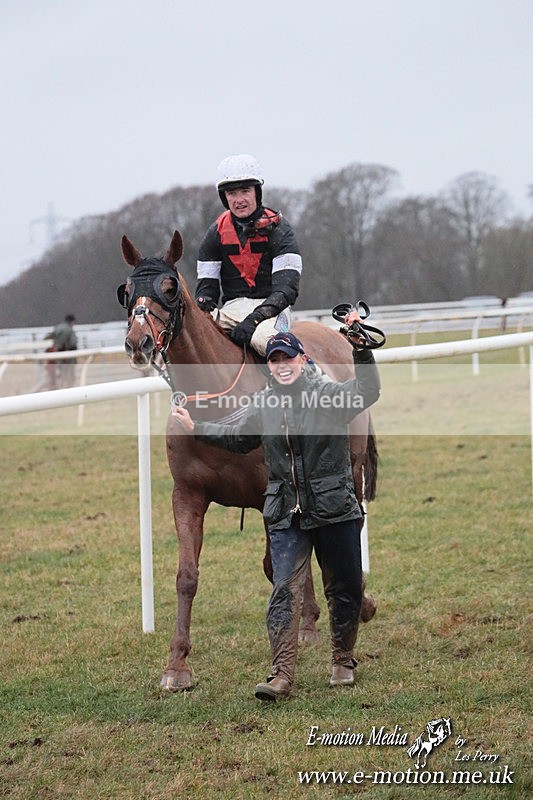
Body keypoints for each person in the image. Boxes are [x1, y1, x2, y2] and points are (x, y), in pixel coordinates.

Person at [172, 313, 381, 701]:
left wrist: (363, 351)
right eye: (275, 361)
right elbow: (235, 436)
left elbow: (367, 393)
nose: (282, 367)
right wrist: (194, 427)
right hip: (288, 511)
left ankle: (343, 659)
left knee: (344, 588)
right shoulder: (264, 404)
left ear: (303, 361)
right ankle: (282, 674)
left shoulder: (328, 394)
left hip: (334, 508)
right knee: (282, 592)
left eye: (288, 359)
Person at [195, 154, 302, 355]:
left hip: (273, 310)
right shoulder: (214, 233)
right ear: (224, 197)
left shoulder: (281, 230)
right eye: (232, 193)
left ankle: (312, 377)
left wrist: (254, 320)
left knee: (268, 343)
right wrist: (202, 311)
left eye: (245, 191)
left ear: (257, 192)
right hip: (231, 310)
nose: (239, 200)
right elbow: (207, 292)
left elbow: (286, 291)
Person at [45, 314, 78, 387]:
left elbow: (48, 337)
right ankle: (69, 386)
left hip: (58, 354)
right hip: (69, 355)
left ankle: (62, 385)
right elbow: (73, 343)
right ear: (72, 322)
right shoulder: (70, 330)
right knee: (70, 372)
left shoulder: (58, 328)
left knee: (61, 371)